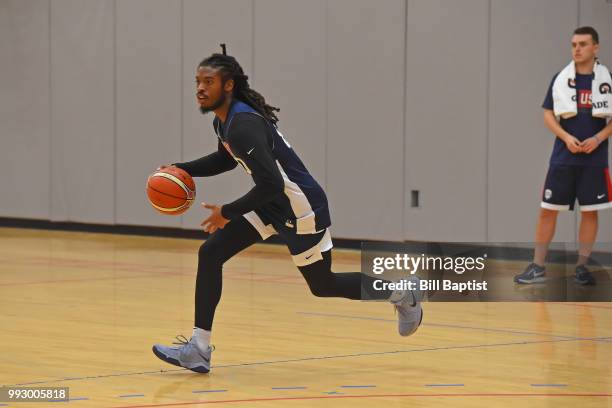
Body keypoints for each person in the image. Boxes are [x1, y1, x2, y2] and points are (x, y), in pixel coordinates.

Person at [151, 45, 423, 374]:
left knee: (322, 285)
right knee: (211, 253)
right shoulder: (225, 123)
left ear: (228, 85)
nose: (200, 88)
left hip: (299, 209)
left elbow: (271, 185)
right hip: (273, 205)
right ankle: (199, 348)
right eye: (197, 81)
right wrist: (179, 169)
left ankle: (401, 292)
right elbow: (225, 159)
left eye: (208, 81)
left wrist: (228, 211)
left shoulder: (243, 125)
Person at [514, 27, 612, 285]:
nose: (577, 49)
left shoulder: (606, 79)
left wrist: (598, 138)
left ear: (596, 48)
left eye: (582, 44)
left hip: (594, 159)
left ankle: (582, 266)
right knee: (548, 211)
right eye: (573, 44)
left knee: (590, 212)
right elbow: (548, 113)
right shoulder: (560, 78)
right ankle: (537, 266)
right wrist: (566, 137)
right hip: (563, 157)